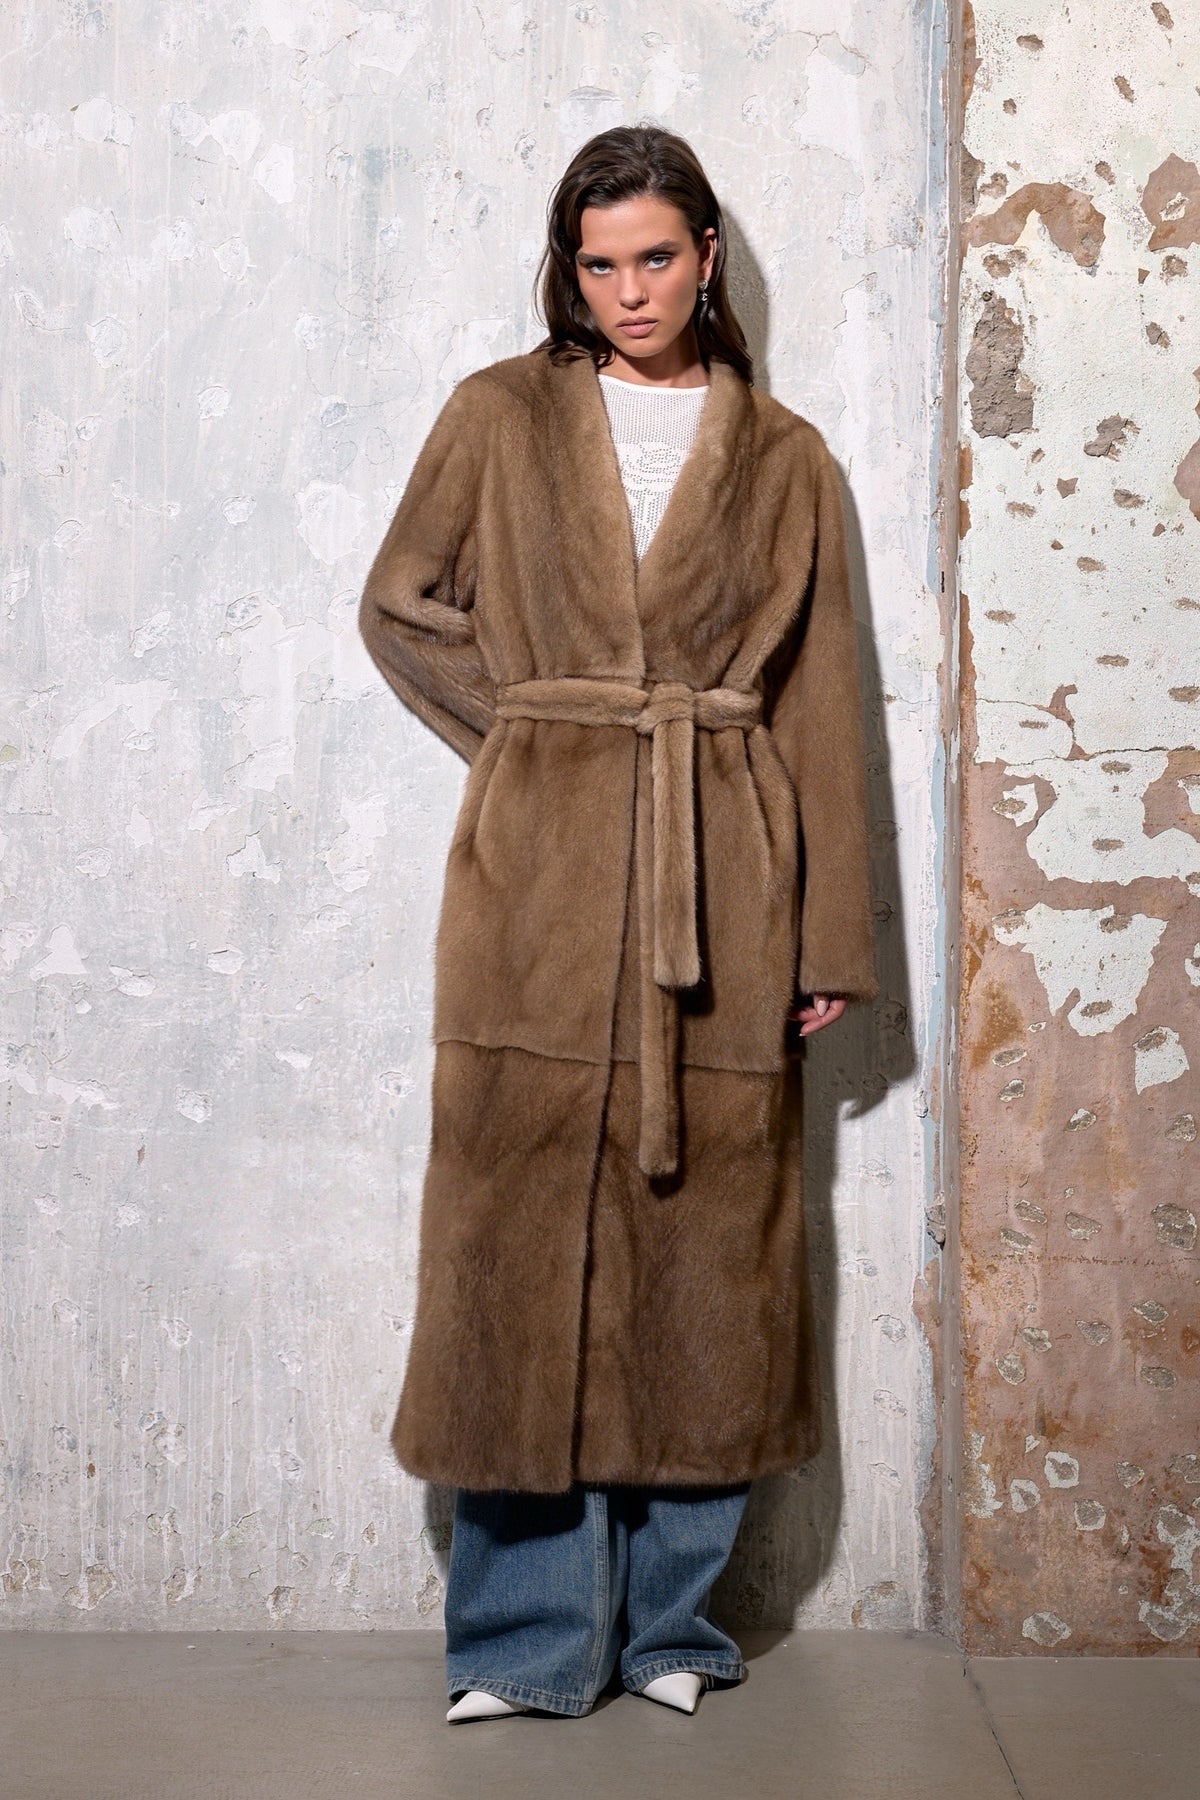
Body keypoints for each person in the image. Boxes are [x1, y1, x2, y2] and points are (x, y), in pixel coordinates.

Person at [357, 124, 878, 1722]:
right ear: (566, 270)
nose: (629, 291)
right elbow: (400, 604)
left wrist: (830, 940)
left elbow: (822, 701)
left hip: (722, 880)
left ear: (707, 256)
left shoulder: (784, 456)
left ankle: (670, 1627)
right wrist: (539, 735)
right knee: (513, 1248)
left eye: (656, 257)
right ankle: (524, 1641)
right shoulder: (498, 416)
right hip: (535, 889)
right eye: (599, 264)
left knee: (707, 1252)